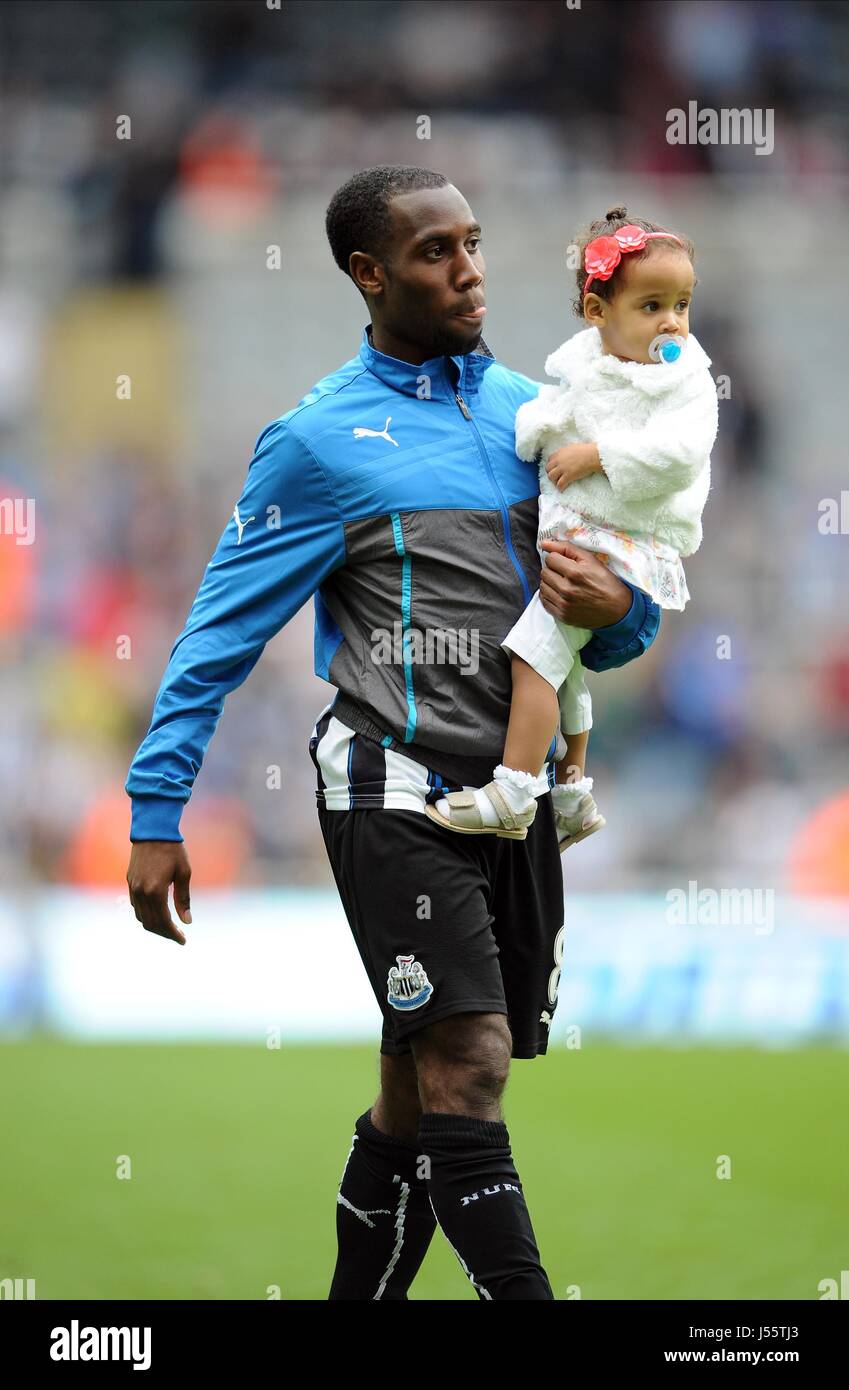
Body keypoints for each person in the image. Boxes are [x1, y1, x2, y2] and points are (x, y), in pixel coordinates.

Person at [124, 167, 661, 1301]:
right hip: (388, 784)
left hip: (512, 797)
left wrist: (626, 614)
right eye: (434, 252)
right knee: (467, 1063)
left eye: (472, 242)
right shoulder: (316, 443)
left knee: (417, 1094)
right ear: (369, 275)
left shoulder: (540, 419)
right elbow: (217, 633)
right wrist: (157, 807)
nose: (467, 268)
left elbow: (606, 626)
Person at [427, 204, 719, 850]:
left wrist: (598, 456)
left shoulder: (685, 381)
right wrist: (531, 434)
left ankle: (513, 789)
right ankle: (573, 792)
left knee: (534, 654)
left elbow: (680, 455)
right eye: (651, 306)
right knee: (564, 671)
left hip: (624, 542)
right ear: (596, 313)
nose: (671, 321)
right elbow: (552, 413)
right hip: (581, 534)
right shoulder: (584, 362)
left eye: (681, 303)